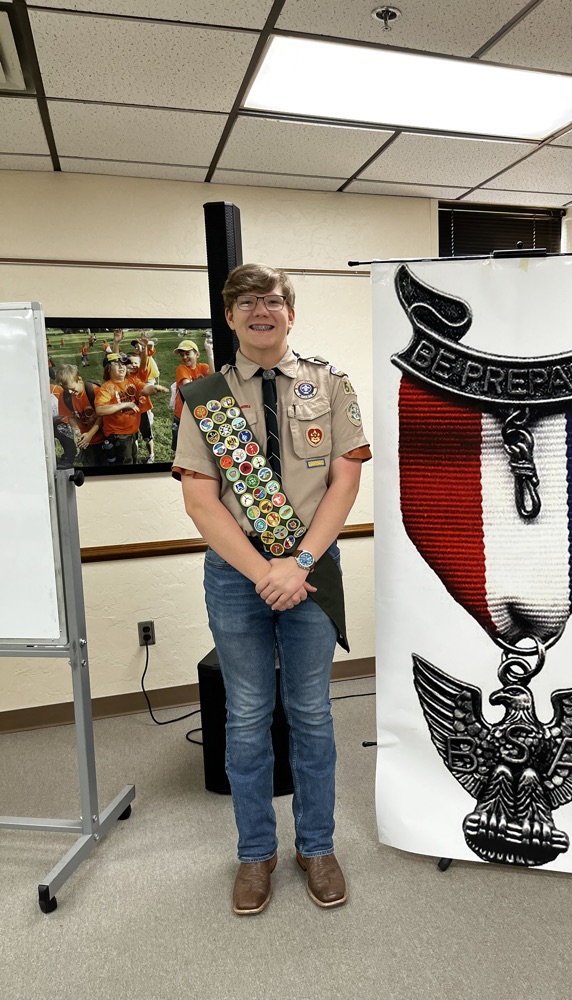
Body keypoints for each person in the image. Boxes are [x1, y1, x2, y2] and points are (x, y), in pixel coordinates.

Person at [173, 263, 371, 915]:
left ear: (292, 312)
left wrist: (301, 560)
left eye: (275, 300)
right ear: (229, 317)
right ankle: (255, 853)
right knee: (248, 714)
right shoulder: (203, 397)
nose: (262, 310)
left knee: (312, 712)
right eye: (247, 302)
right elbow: (201, 503)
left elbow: (344, 483)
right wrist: (266, 571)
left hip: (313, 569)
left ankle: (316, 846)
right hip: (238, 575)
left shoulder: (331, 384)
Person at [95, 339, 168, 464]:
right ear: (108, 369)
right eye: (116, 364)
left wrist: (154, 388)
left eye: (123, 364)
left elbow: (145, 388)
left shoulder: (132, 381)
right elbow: (100, 410)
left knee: (133, 460)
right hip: (118, 435)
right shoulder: (106, 388)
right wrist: (126, 404)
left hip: (131, 433)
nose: (121, 366)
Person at [56, 363, 105, 466]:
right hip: (87, 442)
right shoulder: (65, 397)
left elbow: (102, 416)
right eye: (66, 389)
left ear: (79, 380)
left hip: (104, 437)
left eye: (72, 388)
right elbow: (70, 417)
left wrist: (90, 434)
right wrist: (77, 431)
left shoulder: (93, 391)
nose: (70, 392)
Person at [171, 338, 211, 451]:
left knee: (197, 447)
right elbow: (188, 388)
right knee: (181, 447)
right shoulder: (181, 368)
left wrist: (209, 351)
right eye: (182, 355)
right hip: (182, 415)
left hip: (198, 414)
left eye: (187, 353)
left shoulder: (202, 367)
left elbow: (213, 374)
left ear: (197, 354)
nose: (184, 357)